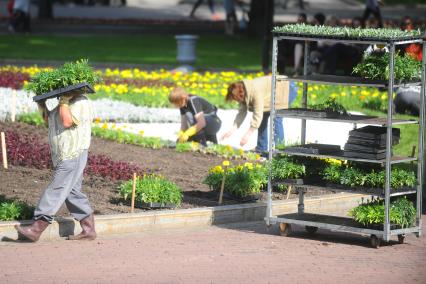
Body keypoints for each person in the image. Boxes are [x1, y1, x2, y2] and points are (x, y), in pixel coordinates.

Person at [15, 91, 97, 242]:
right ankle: (89, 230)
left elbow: (67, 122)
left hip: (73, 153)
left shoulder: (80, 102)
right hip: (63, 155)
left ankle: (36, 228)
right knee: (73, 193)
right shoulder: (63, 104)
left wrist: (64, 101)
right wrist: (42, 104)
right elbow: (49, 120)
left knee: (57, 188)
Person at [221, 76, 297, 152]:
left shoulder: (255, 90)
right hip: (275, 89)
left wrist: (247, 135)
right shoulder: (245, 91)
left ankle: (279, 151)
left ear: (240, 94)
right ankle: (261, 149)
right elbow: (242, 112)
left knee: (276, 118)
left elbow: (258, 114)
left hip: (286, 87)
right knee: (263, 118)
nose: (236, 101)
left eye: (235, 99)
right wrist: (232, 130)